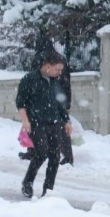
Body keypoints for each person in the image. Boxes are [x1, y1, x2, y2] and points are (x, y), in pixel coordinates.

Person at [15, 46, 72, 199]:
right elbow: (20, 102)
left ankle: (48, 191)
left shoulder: (55, 82)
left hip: (54, 123)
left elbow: (59, 104)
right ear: (47, 66)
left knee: (55, 157)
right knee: (41, 152)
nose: (59, 73)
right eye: (57, 69)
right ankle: (28, 182)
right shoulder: (29, 79)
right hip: (36, 122)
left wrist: (66, 121)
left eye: (61, 70)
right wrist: (25, 121)